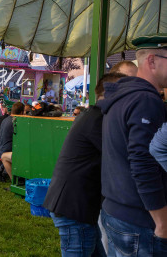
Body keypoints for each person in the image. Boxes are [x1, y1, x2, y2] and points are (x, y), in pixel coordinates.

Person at [43, 73, 126, 257]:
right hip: (75, 208)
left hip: (78, 207)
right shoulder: (98, 119)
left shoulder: (93, 115)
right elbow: (121, 157)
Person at [99, 35, 167, 256]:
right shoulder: (145, 100)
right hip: (138, 220)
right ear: (151, 61)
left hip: (116, 211)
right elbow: (142, 161)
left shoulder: (123, 96)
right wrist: (162, 220)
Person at [0, 102, 25, 179]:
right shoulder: (16, 122)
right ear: (21, 112)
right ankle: (15, 180)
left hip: (1, 149)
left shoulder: (5, 120)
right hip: (7, 151)